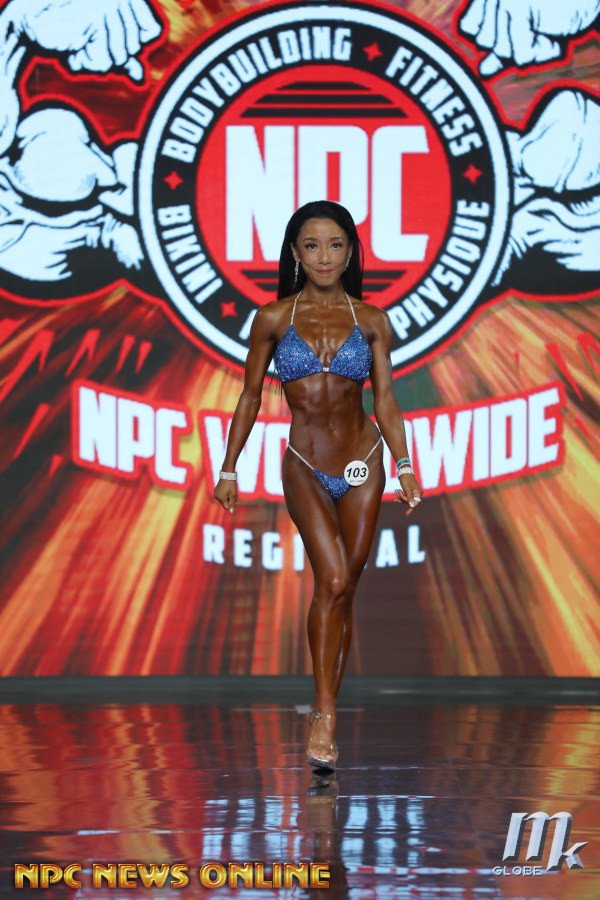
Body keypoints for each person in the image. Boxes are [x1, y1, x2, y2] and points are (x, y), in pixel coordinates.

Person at [214, 200, 423, 769]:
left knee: (343, 589)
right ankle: (324, 712)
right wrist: (229, 467)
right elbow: (250, 396)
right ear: (295, 253)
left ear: (350, 252)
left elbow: (385, 400)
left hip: (363, 463)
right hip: (304, 462)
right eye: (312, 245)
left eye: (335, 245)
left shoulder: (373, 320)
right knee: (330, 578)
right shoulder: (273, 318)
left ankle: (327, 708)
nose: (324, 256)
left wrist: (404, 465)